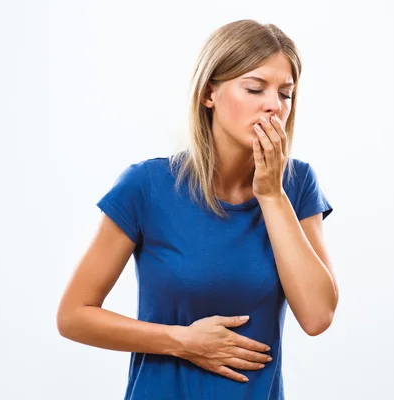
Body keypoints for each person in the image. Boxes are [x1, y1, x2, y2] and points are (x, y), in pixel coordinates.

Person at [56, 19, 338, 400]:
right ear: (210, 94)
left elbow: (318, 316)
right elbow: (74, 315)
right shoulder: (148, 185)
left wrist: (272, 196)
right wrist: (182, 341)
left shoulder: (296, 184)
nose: (273, 105)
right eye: (255, 88)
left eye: (285, 94)